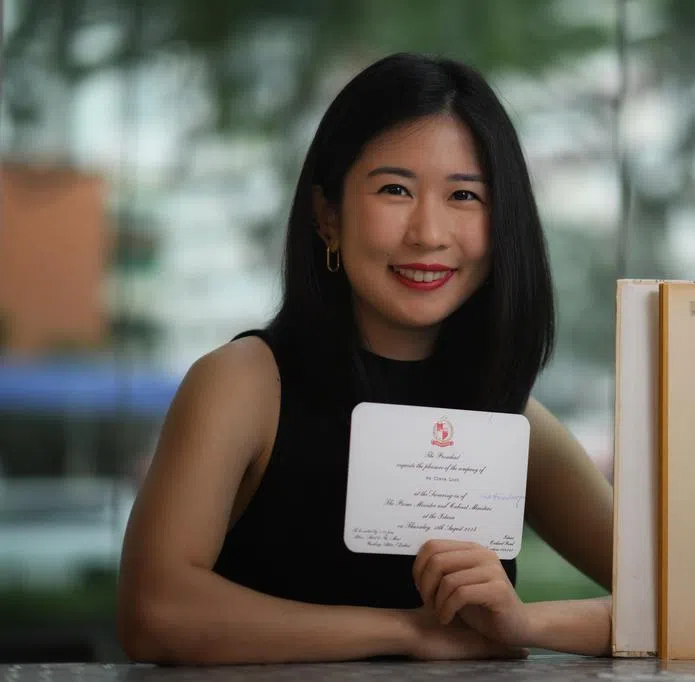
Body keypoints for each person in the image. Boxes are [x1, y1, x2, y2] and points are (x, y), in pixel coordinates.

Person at [115, 52, 613, 665]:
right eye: (395, 190)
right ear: (328, 216)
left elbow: (684, 601)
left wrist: (523, 622)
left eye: (464, 195)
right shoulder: (242, 385)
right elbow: (154, 612)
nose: (428, 233)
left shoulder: (507, 417)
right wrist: (409, 632)